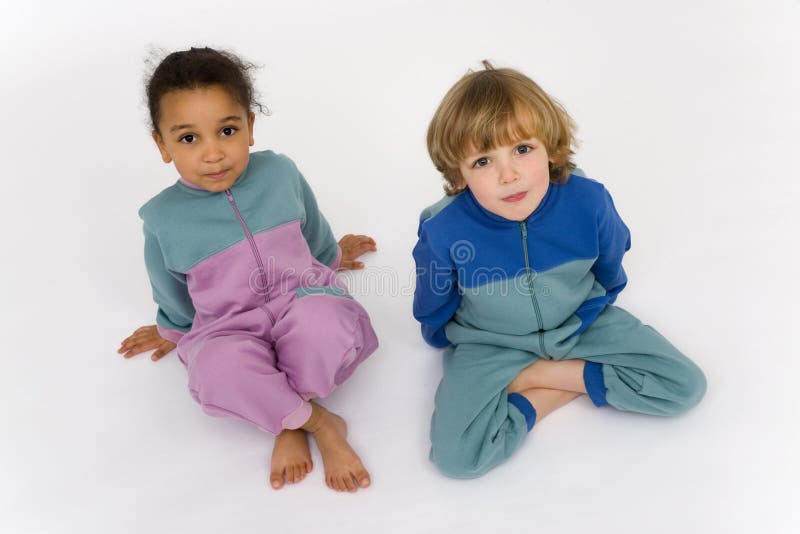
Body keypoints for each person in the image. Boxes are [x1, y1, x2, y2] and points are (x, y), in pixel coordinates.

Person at [413, 61, 706, 479]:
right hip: (489, 343)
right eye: (482, 161)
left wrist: (596, 307)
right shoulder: (443, 230)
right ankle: (552, 386)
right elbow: (434, 297)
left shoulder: (588, 201)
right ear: (458, 176)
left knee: (685, 387)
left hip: (579, 324)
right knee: (457, 459)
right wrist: (441, 335)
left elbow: (611, 259)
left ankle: (539, 375)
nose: (508, 174)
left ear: (550, 149)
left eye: (522, 149)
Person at [117, 47, 379, 492]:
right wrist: (170, 331)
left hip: (302, 300)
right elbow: (173, 295)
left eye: (227, 130)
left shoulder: (279, 173)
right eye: (188, 139)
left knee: (326, 324)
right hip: (229, 326)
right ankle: (315, 422)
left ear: (250, 127)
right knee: (217, 370)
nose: (213, 154)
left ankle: (285, 415)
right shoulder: (162, 219)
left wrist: (333, 255)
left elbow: (312, 232)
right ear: (162, 145)